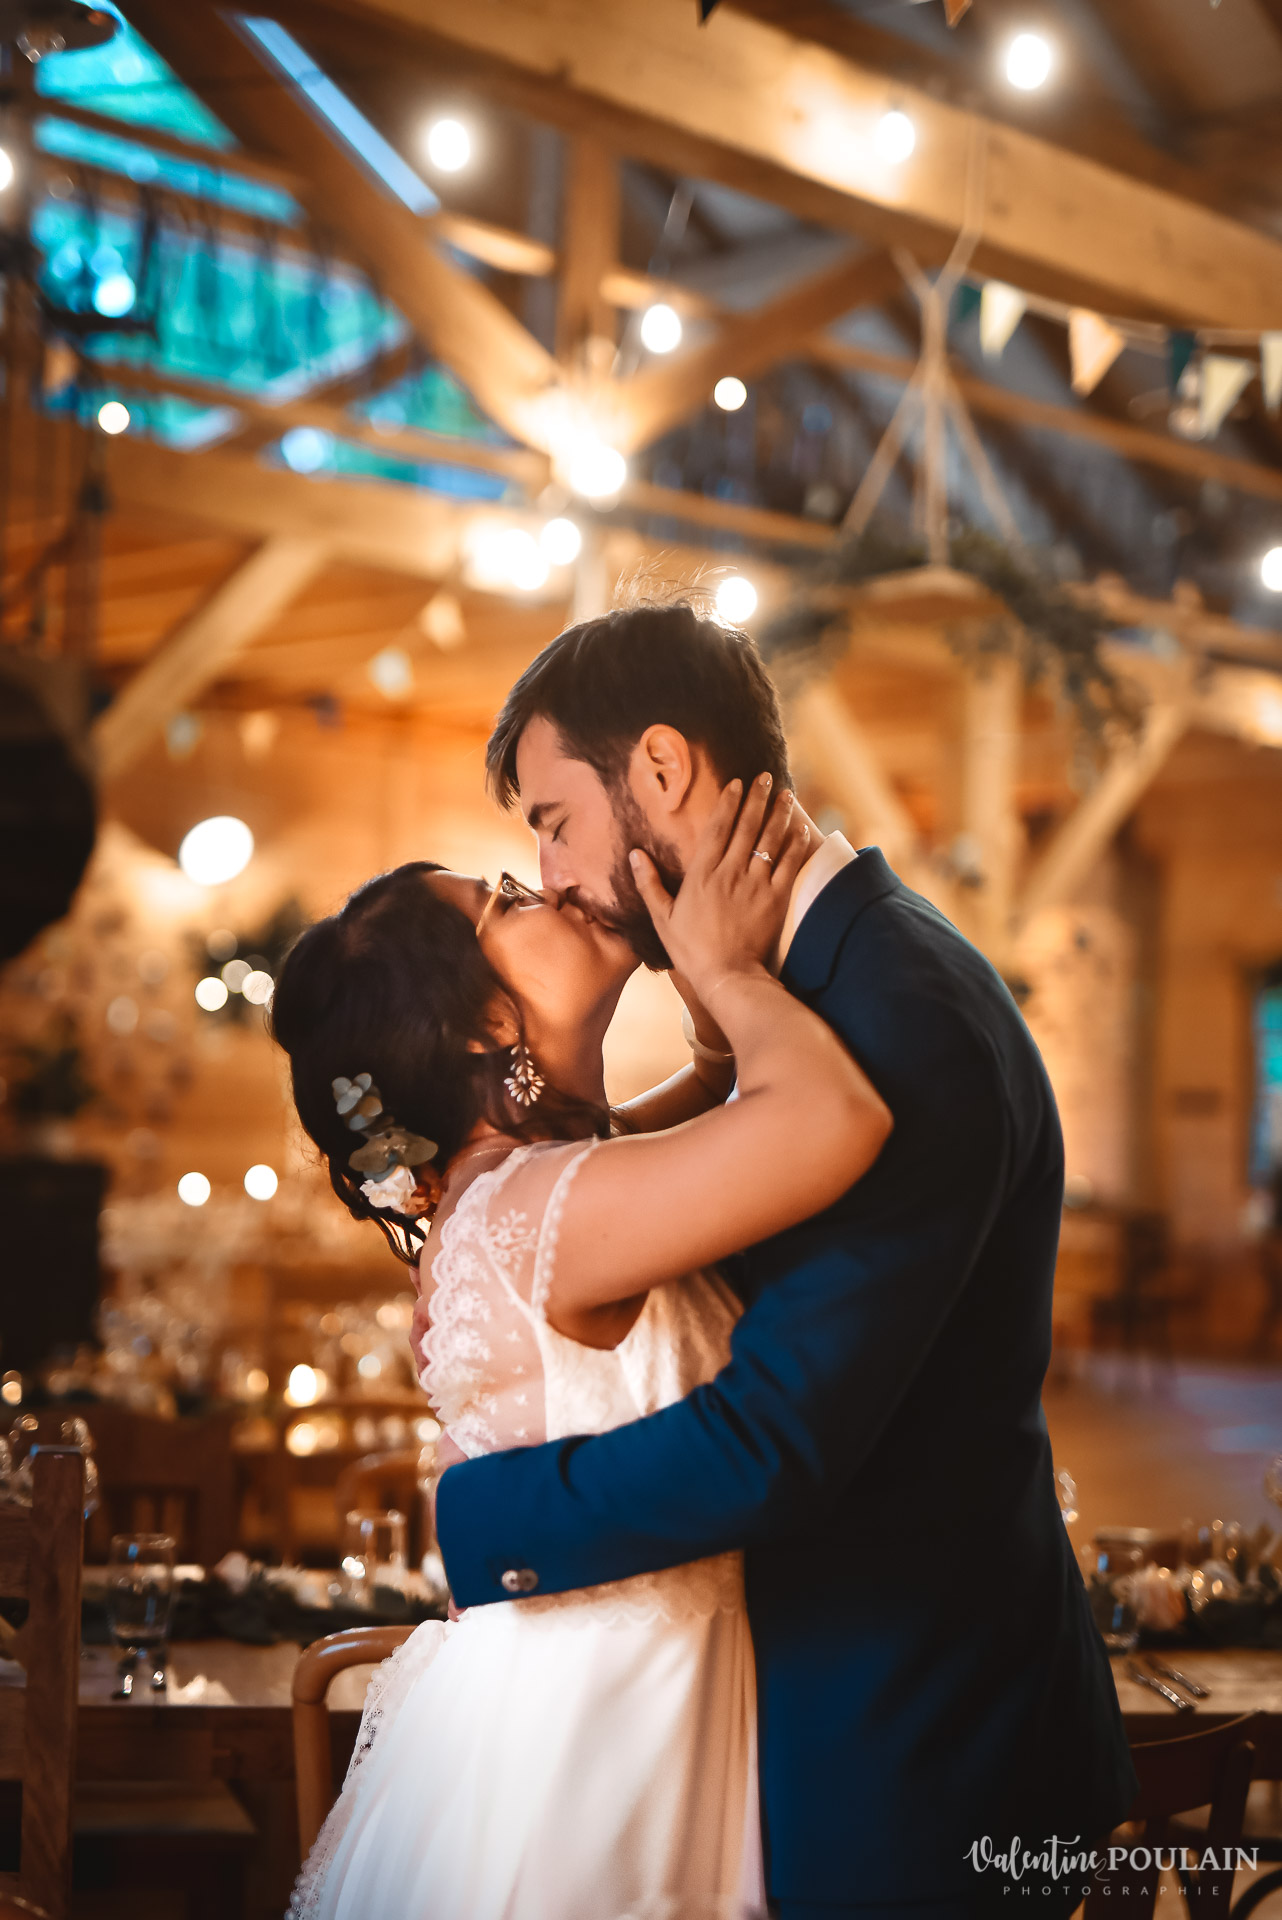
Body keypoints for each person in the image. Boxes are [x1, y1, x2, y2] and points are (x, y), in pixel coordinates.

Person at [434, 602, 1138, 1920]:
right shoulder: (813, 986)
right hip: (826, 1706)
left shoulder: (896, 1016)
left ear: (658, 771)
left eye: (551, 819)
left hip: (916, 1741)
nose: (553, 866)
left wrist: (485, 1520)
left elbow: (777, 1441)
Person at [271, 768, 894, 1920]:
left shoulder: (514, 1194)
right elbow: (833, 1120)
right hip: (609, 1743)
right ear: (487, 1022)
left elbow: (665, 1123)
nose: (547, 893)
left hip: (584, 1704)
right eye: (507, 901)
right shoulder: (540, 1211)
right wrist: (726, 971)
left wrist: (711, 1039)